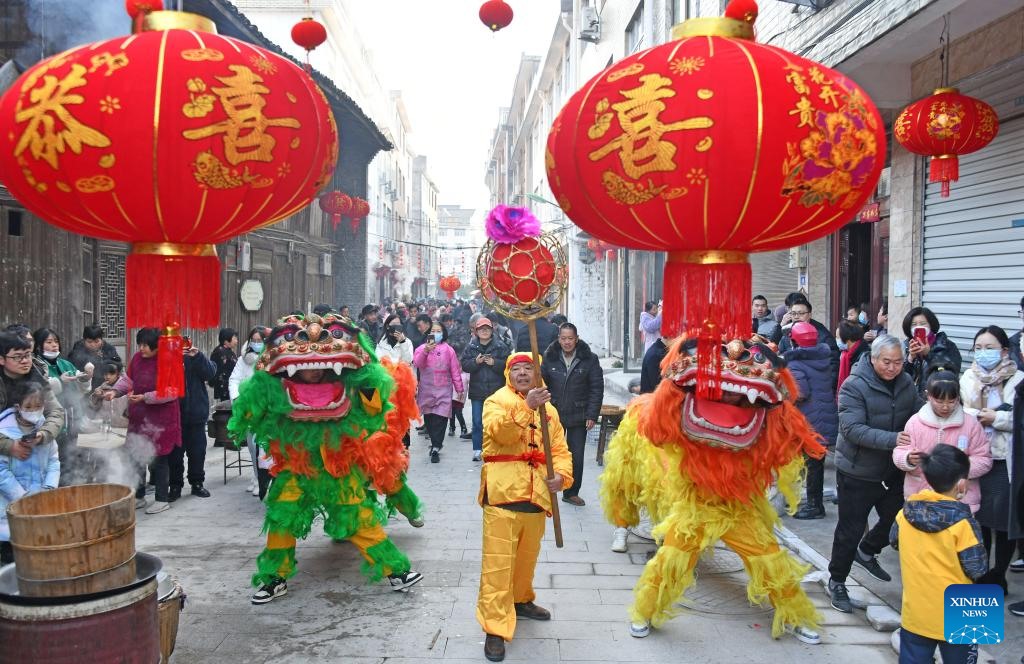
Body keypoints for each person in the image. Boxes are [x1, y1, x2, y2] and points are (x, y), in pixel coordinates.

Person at [477, 352, 573, 662]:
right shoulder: (495, 401)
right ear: (507, 373)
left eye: (528, 368)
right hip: (502, 496)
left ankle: (520, 600)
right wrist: (526, 406)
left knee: (525, 560)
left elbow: (559, 449)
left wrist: (562, 476)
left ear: (536, 373)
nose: (522, 373)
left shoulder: (551, 411)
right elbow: (499, 434)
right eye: (516, 368)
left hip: (536, 497)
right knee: (498, 565)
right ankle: (494, 626)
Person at [827, 335, 924, 613]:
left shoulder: (905, 381)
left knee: (902, 516)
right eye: (887, 362)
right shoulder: (854, 385)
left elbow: (917, 411)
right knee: (850, 529)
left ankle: (867, 551)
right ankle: (837, 581)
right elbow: (852, 429)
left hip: (893, 468)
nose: (893, 368)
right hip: (857, 470)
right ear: (873, 359)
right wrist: (896, 439)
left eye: (898, 362)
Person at [890, 445, 988, 664]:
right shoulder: (965, 524)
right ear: (962, 485)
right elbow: (978, 569)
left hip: (915, 610)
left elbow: (894, 542)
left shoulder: (904, 514)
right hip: (961, 610)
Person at [960, 325, 1024, 595]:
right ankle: (982, 572)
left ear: (1005, 350)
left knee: (1003, 521)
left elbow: (1018, 419)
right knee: (980, 518)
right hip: (976, 458)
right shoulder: (967, 378)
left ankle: (999, 573)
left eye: (990, 348)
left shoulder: (1018, 379)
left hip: (1005, 460)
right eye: (979, 348)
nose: (983, 353)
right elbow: (960, 411)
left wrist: (995, 418)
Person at [894, 370, 990, 514]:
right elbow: (899, 452)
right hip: (920, 499)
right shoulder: (915, 423)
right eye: (939, 401)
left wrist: (958, 471)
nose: (945, 406)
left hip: (960, 501)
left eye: (951, 401)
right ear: (928, 396)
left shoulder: (970, 424)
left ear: (958, 398)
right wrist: (907, 458)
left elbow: (984, 459)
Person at [108, 327, 182, 515]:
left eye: (146, 345)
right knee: (136, 457)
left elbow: (172, 391)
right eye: (140, 344)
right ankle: (139, 496)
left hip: (162, 420)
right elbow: (128, 381)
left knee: (160, 459)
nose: (142, 348)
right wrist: (115, 391)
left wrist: (144, 397)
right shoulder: (137, 359)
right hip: (139, 417)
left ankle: (161, 499)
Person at [541, 323, 603, 507]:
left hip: (579, 413)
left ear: (576, 338)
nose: (567, 342)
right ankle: (546, 486)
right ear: (558, 338)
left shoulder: (589, 359)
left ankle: (571, 492)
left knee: (576, 455)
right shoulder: (550, 357)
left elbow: (596, 388)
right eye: (563, 338)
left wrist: (592, 414)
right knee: (549, 452)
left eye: (570, 338)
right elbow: (542, 383)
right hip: (554, 413)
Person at [0, 381, 60, 565]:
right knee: (13, 563)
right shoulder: (4, 431)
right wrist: (21, 496)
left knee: (38, 559)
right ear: (18, 407)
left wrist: (49, 488)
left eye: (38, 406)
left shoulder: (44, 432)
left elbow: (53, 461)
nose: (34, 410)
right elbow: (1, 470)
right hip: (9, 509)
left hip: (40, 503)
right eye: (28, 407)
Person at [784, 322, 838, 520]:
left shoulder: (796, 363)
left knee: (812, 464)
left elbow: (801, 393)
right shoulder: (822, 357)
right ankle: (811, 501)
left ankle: (814, 506)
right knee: (816, 462)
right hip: (823, 416)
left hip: (809, 420)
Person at [32, 328, 91, 485]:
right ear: (38, 345)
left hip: (73, 420)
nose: (54, 346)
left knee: (76, 460)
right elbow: (38, 390)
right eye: (49, 342)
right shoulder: (36, 366)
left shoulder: (65, 363)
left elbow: (83, 390)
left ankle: (74, 491)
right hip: (51, 423)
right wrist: (60, 381)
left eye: (56, 342)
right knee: (57, 463)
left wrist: (86, 378)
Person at [0, 332, 65, 463]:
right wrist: (9, 446)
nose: (25, 361)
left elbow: (56, 411)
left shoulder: (37, 377)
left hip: (32, 452)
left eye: (28, 355)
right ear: (1, 359)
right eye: (17, 357)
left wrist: (43, 435)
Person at [170, 343, 216, 501]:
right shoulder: (168, 358)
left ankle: (197, 483)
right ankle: (175, 485)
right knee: (175, 455)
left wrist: (198, 356)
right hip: (175, 416)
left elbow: (210, 373)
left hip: (196, 414)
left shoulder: (195, 358)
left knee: (197, 453)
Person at [413, 321, 464, 464]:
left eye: (438, 331)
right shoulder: (422, 348)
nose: (436, 334)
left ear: (443, 333)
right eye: (433, 331)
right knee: (429, 418)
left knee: (441, 419)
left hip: (443, 389)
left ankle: (436, 445)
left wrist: (459, 389)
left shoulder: (449, 350)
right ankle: (435, 443)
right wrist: (426, 351)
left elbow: (454, 370)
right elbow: (417, 364)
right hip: (427, 389)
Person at [461, 317, 510, 462]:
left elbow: (508, 365)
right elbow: (464, 365)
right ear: (476, 331)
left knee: (497, 421)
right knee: (477, 422)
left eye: (487, 328)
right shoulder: (471, 347)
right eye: (481, 329)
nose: (484, 331)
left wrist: (495, 363)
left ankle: (496, 447)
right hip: (477, 391)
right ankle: (477, 449)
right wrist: (475, 362)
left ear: (491, 330)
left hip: (497, 391)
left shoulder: (500, 346)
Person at [230, 327, 268, 497]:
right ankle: (255, 476)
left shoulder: (270, 358)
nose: (257, 343)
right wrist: (237, 399)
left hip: (266, 410)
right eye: (254, 340)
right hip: (249, 410)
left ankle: (263, 480)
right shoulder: (243, 360)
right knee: (252, 447)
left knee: (263, 447)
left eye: (260, 340)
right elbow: (234, 379)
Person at [778, 298, 841, 390]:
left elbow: (832, 367)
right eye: (793, 313)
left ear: (809, 315)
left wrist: (824, 388)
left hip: (817, 389)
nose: (796, 317)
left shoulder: (823, 336)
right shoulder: (787, 334)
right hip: (791, 388)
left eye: (801, 313)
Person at [902, 306, 962, 396]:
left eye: (923, 324)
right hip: (910, 401)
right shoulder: (905, 346)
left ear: (931, 325)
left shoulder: (946, 345)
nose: (918, 327)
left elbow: (951, 373)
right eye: (914, 324)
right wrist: (910, 359)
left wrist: (929, 355)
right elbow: (900, 378)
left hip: (937, 399)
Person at [68, 324, 122, 390]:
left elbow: (118, 364)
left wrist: (101, 362)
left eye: (96, 341)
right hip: (82, 385)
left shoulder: (108, 348)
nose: (93, 345)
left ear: (101, 340)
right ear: (84, 340)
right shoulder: (78, 347)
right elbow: (70, 364)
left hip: (104, 385)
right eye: (89, 342)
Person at [836, 320, 870, 394]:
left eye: (838, 338)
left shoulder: (863, 357)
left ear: (847, 340)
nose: (837, 341)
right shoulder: (847, 354)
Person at [208, 328, 238, 404]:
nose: (236, 341)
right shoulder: (219, 352)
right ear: (226, 340)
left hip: (232, 386)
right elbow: (214, 369)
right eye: (234, 338)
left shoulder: (229, 351)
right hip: (225, 388)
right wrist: (212, 382)